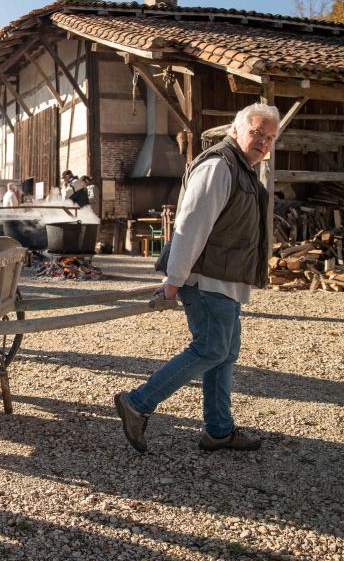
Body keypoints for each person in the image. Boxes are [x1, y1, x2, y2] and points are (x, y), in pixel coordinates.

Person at [115, 102, 280, 453]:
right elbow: (190, 226)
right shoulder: (220, 166)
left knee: (224, 353)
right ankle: (138, 403)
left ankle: (218, 431)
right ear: (235, 130)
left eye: (269, 137)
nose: (262, 142)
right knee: (211, 349)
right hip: (205, 281)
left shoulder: (244, 169)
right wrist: (173, 282)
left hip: (226, 283)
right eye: (256, 132)